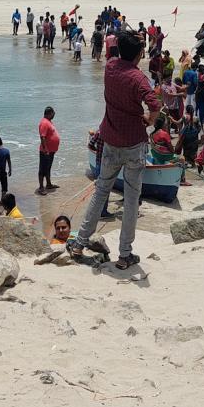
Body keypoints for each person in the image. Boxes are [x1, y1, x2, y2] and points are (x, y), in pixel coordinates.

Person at [68, 30, 160, 270]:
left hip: (110, 140)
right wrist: (150, 119)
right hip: (133, 143)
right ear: (139, 54)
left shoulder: (110, 67)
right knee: (131, 199)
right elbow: (154, 103)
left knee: (101, 191)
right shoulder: (137, 77)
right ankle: (125, 254)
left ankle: (79, 243)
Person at [37, 107, 60, 195]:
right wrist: (45, 149)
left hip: (50, 151)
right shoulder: (44, 123)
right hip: (45, 151)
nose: (54, 115)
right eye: (53, 113)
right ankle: (41, 187)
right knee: (42, 169)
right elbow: (42, 137)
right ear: (49, 113)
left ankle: (49, 184)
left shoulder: (48, 122)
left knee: (48, 168)